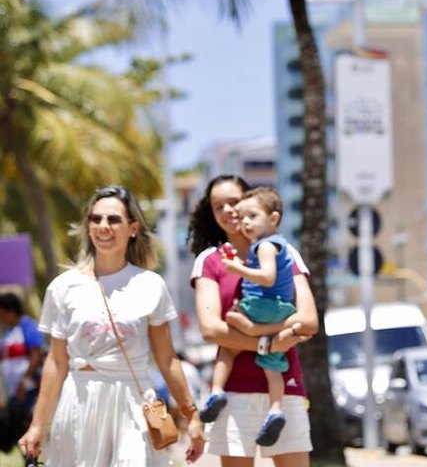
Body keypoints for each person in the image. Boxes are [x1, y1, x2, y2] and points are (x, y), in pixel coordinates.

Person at [17, 185, 204, 465]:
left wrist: (192, 416)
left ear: (133, 228)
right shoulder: (63, 287)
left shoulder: (150, 285)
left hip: (133, 399)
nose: (103, 226)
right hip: (79, 400)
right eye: (96, 219)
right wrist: (37, 425)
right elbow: (56, 363)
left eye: (113, 219)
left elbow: (167, 359)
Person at [188, 174, 318, 467]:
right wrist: (270, 343)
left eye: (234, 202)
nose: (227, 211)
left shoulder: (286, 252)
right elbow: (210, 329)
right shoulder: (209, 260)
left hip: (286, 389)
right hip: (232, 392)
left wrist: (254, 333)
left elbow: (308, 320)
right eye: (217, 206)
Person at [200, 187, 297, 448]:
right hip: (283, 309)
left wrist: (237, 269)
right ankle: (276, 409)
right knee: (272, 364)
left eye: (251, 216)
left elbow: (267, 277)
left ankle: (216, 391)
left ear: (273, 218)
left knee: (228, 346)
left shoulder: (264, 246)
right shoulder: (285, 247)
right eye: (243, 218)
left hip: (261, 306)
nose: (244, 222)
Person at [0, 293, 43, 412]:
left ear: (11, 311)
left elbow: (36, 355)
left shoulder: (28, 326)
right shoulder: (8, 330)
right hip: (13, 387)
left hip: (28, 387)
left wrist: (24, 381)